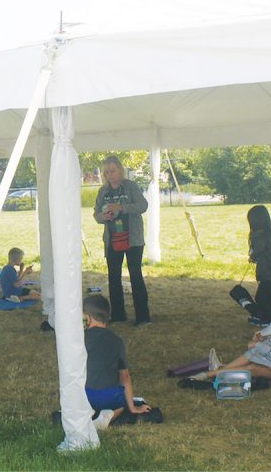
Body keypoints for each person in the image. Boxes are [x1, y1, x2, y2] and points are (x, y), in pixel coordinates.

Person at [197, 294, 271, 385]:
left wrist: (256, 345)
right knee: (254, 364)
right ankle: (219, 370)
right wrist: (260, 340)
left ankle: (210, 374)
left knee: (254, 361)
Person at [93, 155, 150, 326]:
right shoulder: (103, 191)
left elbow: (143, 206)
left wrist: (121, 208)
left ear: (120, 170)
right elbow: (96, 215)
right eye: (107, 172)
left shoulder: (131, 187)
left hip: (133, 239)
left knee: (136, 276)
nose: (110, 175)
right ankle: (118, 315)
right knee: (114, 278)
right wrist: (104, 215)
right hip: (113, 240)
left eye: (113, 171)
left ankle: (143, 317)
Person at [83, 294, 152, 429]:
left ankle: (89, 414)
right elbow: (125, 377)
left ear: (88, 318)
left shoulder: (81, 339)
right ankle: (110, 415)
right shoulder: (117, 341)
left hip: (85, 396)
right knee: (122, 402)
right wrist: (132, 408)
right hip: (110, 398)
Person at [237, 205, 271, 326]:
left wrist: (252, 256)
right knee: (270, 297)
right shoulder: (270, 235)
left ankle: (268, 319)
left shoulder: (259, 236)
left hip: (268, 272)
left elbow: (257, 251)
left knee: (262, 297)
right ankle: (270, 317)